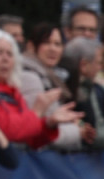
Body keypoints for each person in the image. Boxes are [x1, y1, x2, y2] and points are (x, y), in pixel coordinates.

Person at [0, 29, 83, 150]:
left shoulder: (12, 89)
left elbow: (30, 139)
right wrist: (37, 111)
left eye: (10, 54)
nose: (5, 59)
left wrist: (49, 123)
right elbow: (6, 131)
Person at [19, 23, 89, 151]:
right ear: (31, 46)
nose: (53, 49)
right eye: (46, 43)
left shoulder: (50, 77)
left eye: (57, 44)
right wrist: (78, 131)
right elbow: (41, 131)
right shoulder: (29, 77)